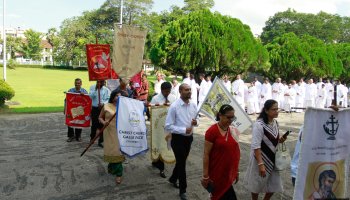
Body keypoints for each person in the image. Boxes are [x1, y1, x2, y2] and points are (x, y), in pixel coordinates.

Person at [244, 99, 287, 200]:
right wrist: (260, 164)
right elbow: (256, 145)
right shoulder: (259, 125)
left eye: (277, 109)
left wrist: (280, 140)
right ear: (266, 111)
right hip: (260, 159)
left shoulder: (276, 123)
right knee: (257, 184)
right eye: (274, 109)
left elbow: (273, 139)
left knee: (274, 184)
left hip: (273, 158)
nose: (277, 111)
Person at [165, 83, 198, 200]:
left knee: (181, 161)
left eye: (190, 90)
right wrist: (183, 129)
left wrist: (195, 123)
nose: (189, 92)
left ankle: (173, 178)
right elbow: (168, 126)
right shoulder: (174, 107)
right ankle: (183, 190)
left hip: (189, 138)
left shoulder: (194, 105)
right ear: (180, 91)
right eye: (186, 90)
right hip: (177, 139)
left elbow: (196, 119)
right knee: (182, 163)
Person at [201, 104, 240, 200]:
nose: (230, 120)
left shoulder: (233, 130)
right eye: (228, 117)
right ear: (220, 115)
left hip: (228, 173)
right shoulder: (212, 131)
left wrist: (236, 170)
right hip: (216, 173)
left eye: (233, 117)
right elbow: (206, 154)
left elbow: (236, 151)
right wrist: (206, 176)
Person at [98, 90, 125, 185]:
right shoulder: (106, 106)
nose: (118, 97)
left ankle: (119, 173)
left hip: (120, 133)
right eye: (116, 95)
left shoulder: (124, 107)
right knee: (111, 150)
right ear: (113, 96)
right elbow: (100, 117)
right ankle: (112, 167)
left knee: (117, 151)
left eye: (120, 96)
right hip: (108, 132)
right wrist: (104, 122)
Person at [150, 82, 176, 178]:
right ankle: (161, 168)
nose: (167, 93)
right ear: (161, 90)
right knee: (159, 144)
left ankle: (158, 160)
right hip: (158, 126)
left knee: (167, 144)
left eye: (169, 91)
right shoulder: (155, 98)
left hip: (170, 125)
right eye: (166, 91)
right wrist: (161, 105)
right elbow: (151, 110)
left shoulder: (173, 98)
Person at [89, 80, 111, 147]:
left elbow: (108, 99)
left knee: (102, 125)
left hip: (102, 109)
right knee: (94, 125)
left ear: (103, 82)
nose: (99, 83)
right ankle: (92, 139)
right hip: (95, 108)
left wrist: (103, 103)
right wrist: (96, 90)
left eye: (100, 82)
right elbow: (90, 96)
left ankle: (101, 141)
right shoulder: (92, 87)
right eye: (98, 82)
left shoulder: (106, 90)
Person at [66, 78, 88, 142]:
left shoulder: (84, 91)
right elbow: (66, 100)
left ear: (81, 84)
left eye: (78, 83)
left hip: (80, 110)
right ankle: (71, 136)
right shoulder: (70, 90)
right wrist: (65, 109)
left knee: (79, 122)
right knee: (70, 122)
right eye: (76, 83)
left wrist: (84, 95)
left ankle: (78, 136)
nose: (77, 84)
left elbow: (87, 100)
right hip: (71, 109)